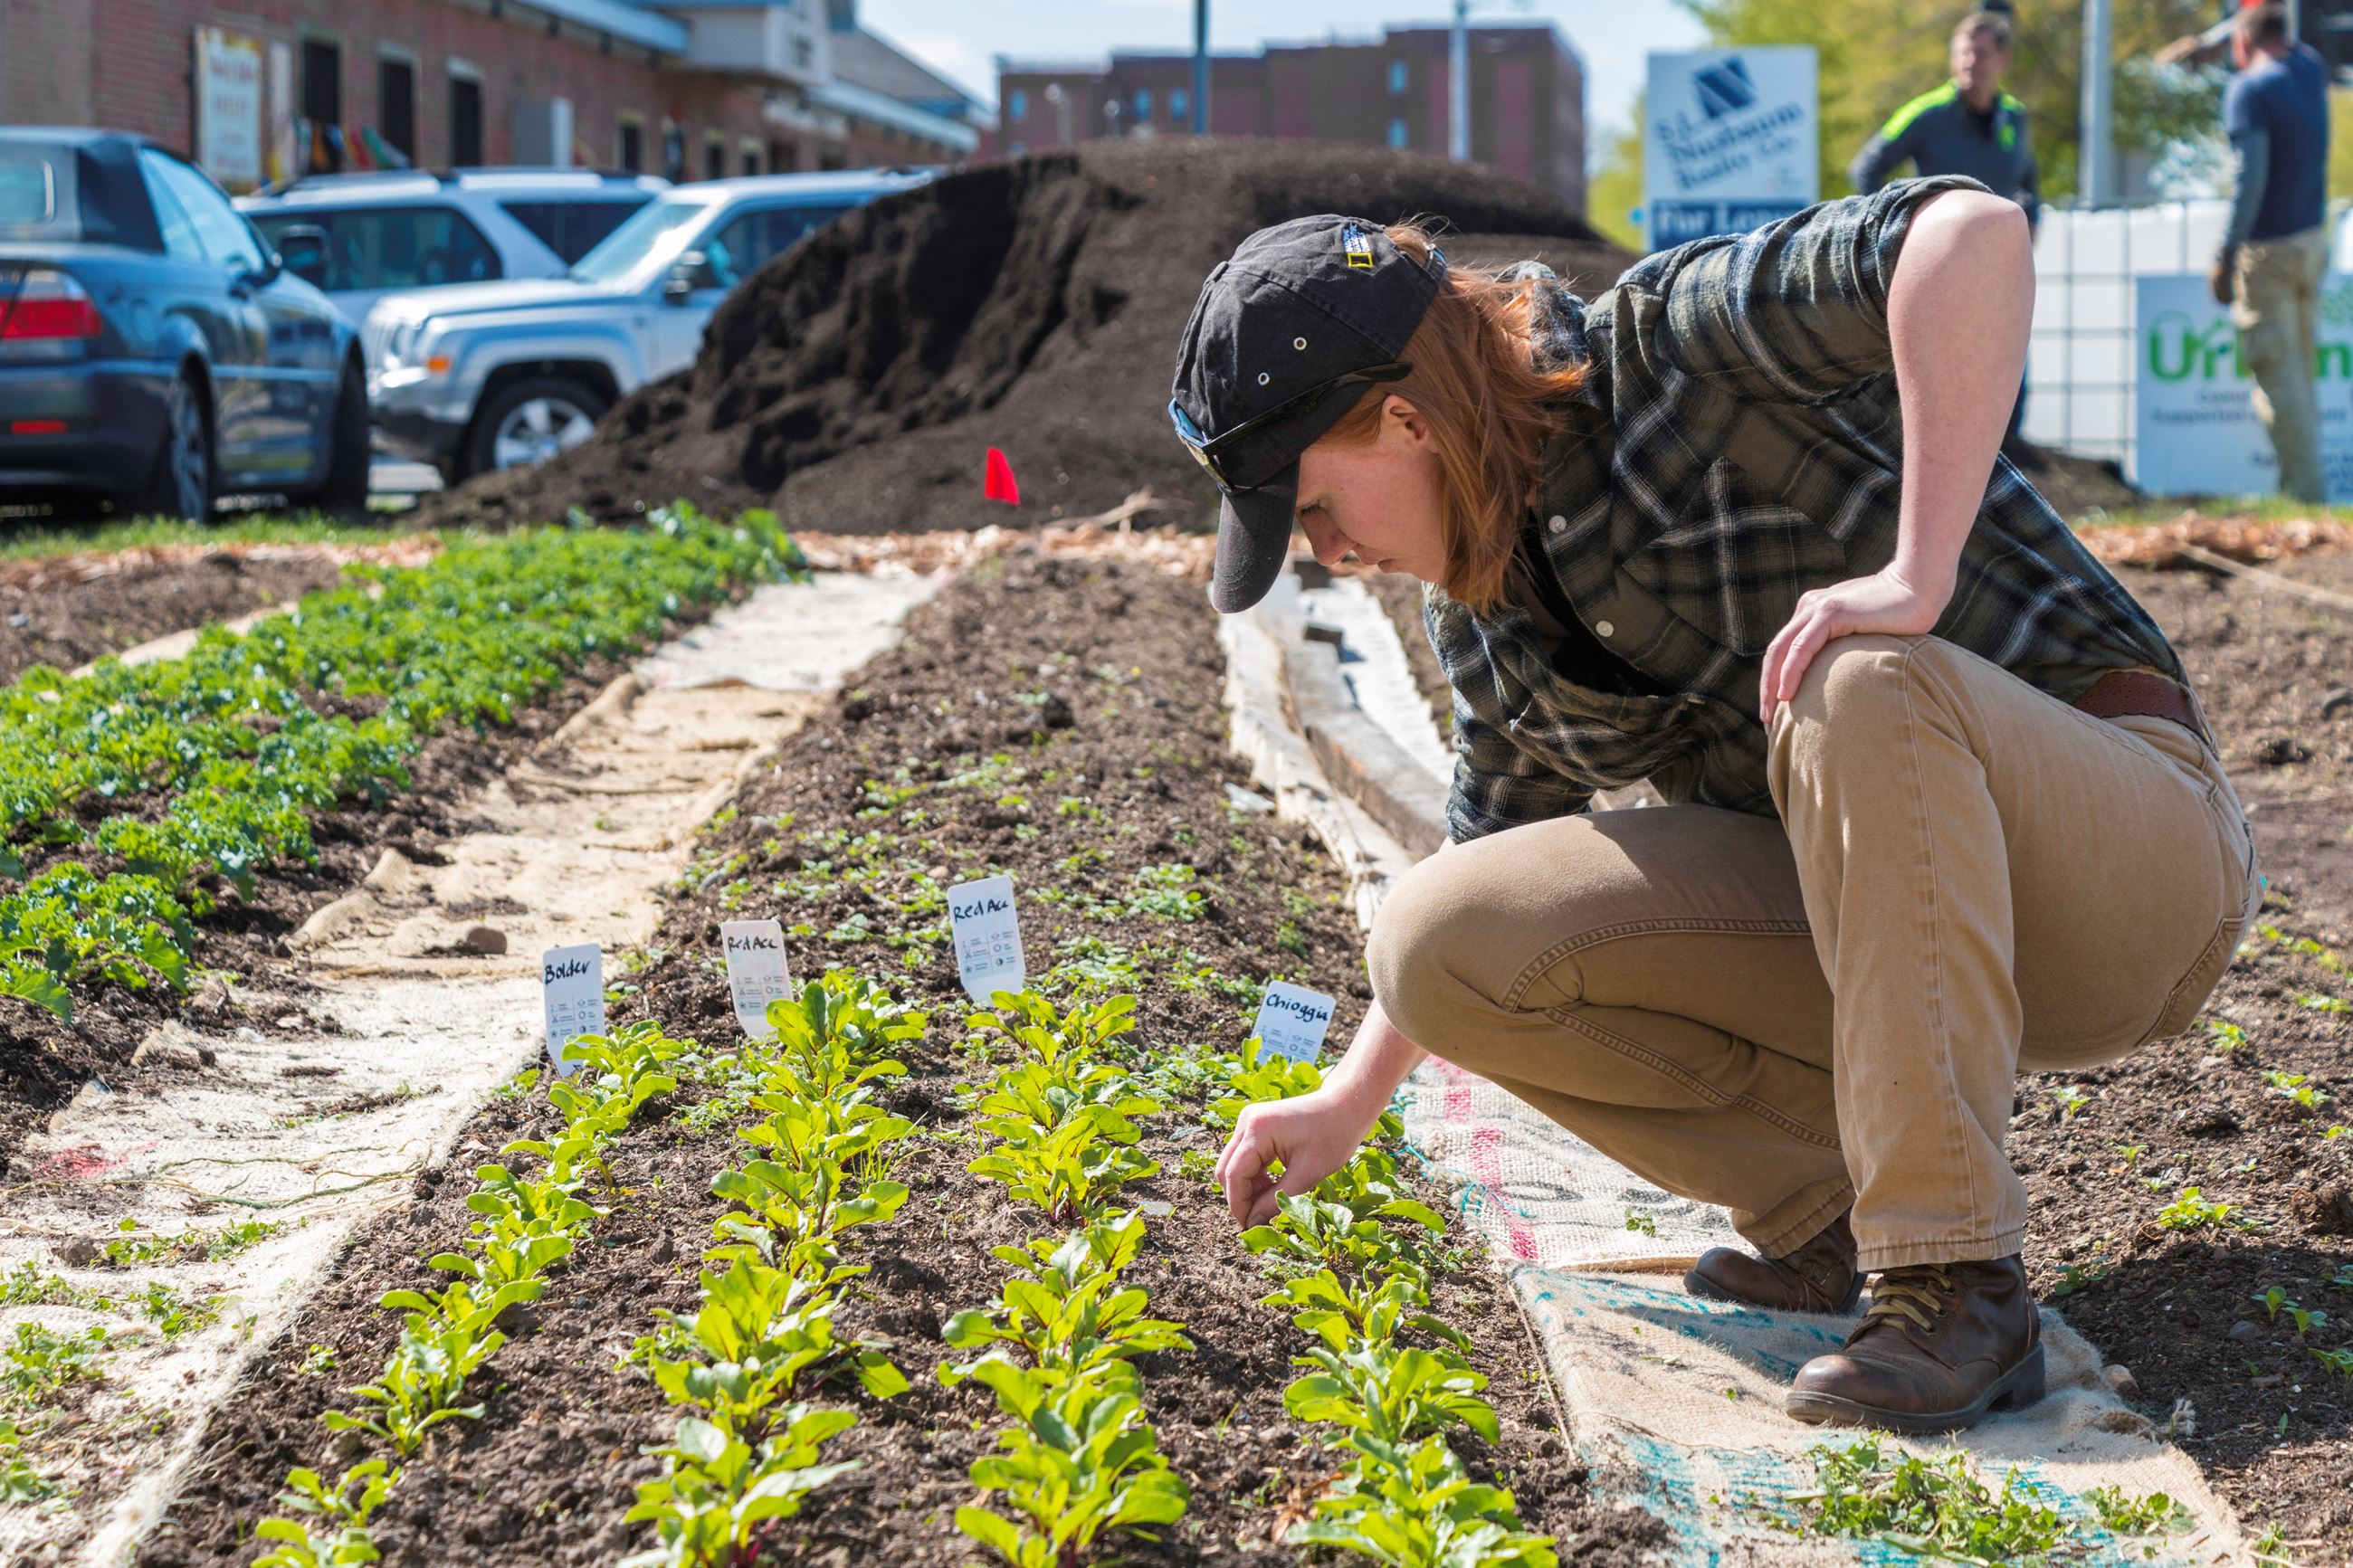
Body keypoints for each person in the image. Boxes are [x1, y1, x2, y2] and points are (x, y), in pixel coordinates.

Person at [1167, 188, 2259, 1435]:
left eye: (1311, 511)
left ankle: (1952, 1272)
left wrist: (1917, 570)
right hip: (1906, 948)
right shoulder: (1486, 621)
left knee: (1856, 683)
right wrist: (1346, 1102)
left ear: (1404, 419)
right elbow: (1490, 862)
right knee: (1437, 944)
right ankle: (1826, 1210)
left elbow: (1971, 236)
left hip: (2133, 880)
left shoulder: (1676, 345)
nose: (1323, 552)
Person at [1850, 11, 2039, 444]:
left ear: (2003, 61)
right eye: (1963, 53)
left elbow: (2029, 184)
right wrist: (1896, 237)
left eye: (1982, 53)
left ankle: (2004, 466)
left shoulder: (2016, 118)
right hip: (1938, 266)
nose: (1971, 62)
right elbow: (1865, 171)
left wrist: (2032, 225)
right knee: (1939, 372)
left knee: (2007, 365)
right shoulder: (1925, 112)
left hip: (1998, 265)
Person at [2211, 3, 2333, 505]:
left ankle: (2306, 498)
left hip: (2267, 252)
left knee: (2280, 381)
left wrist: (2225, 251)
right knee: (2299, 373)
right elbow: (2278, 36)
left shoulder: (2249, 90)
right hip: (2311, 242)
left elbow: (2250, 178)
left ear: (2242, 42)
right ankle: (2299, 488)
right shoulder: (2309, 68)